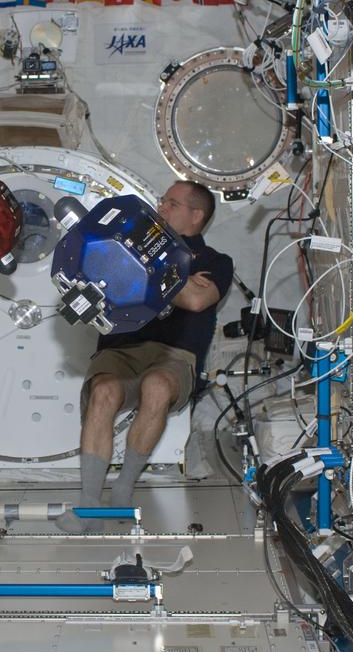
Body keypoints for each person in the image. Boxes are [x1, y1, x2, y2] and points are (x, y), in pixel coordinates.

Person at [56, 180, 234, 533]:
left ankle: (122, 493)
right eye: (162, 200)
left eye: (172, 203)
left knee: (157, 386)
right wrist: (176, 278)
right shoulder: (127, 242)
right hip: (120, 348)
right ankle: (89, 504)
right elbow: (89, 273)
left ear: (196, 216)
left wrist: (142, 267)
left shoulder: (216, 261)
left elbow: (197, 301)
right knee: (104, 392)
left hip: (175, 354)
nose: (161, 207)